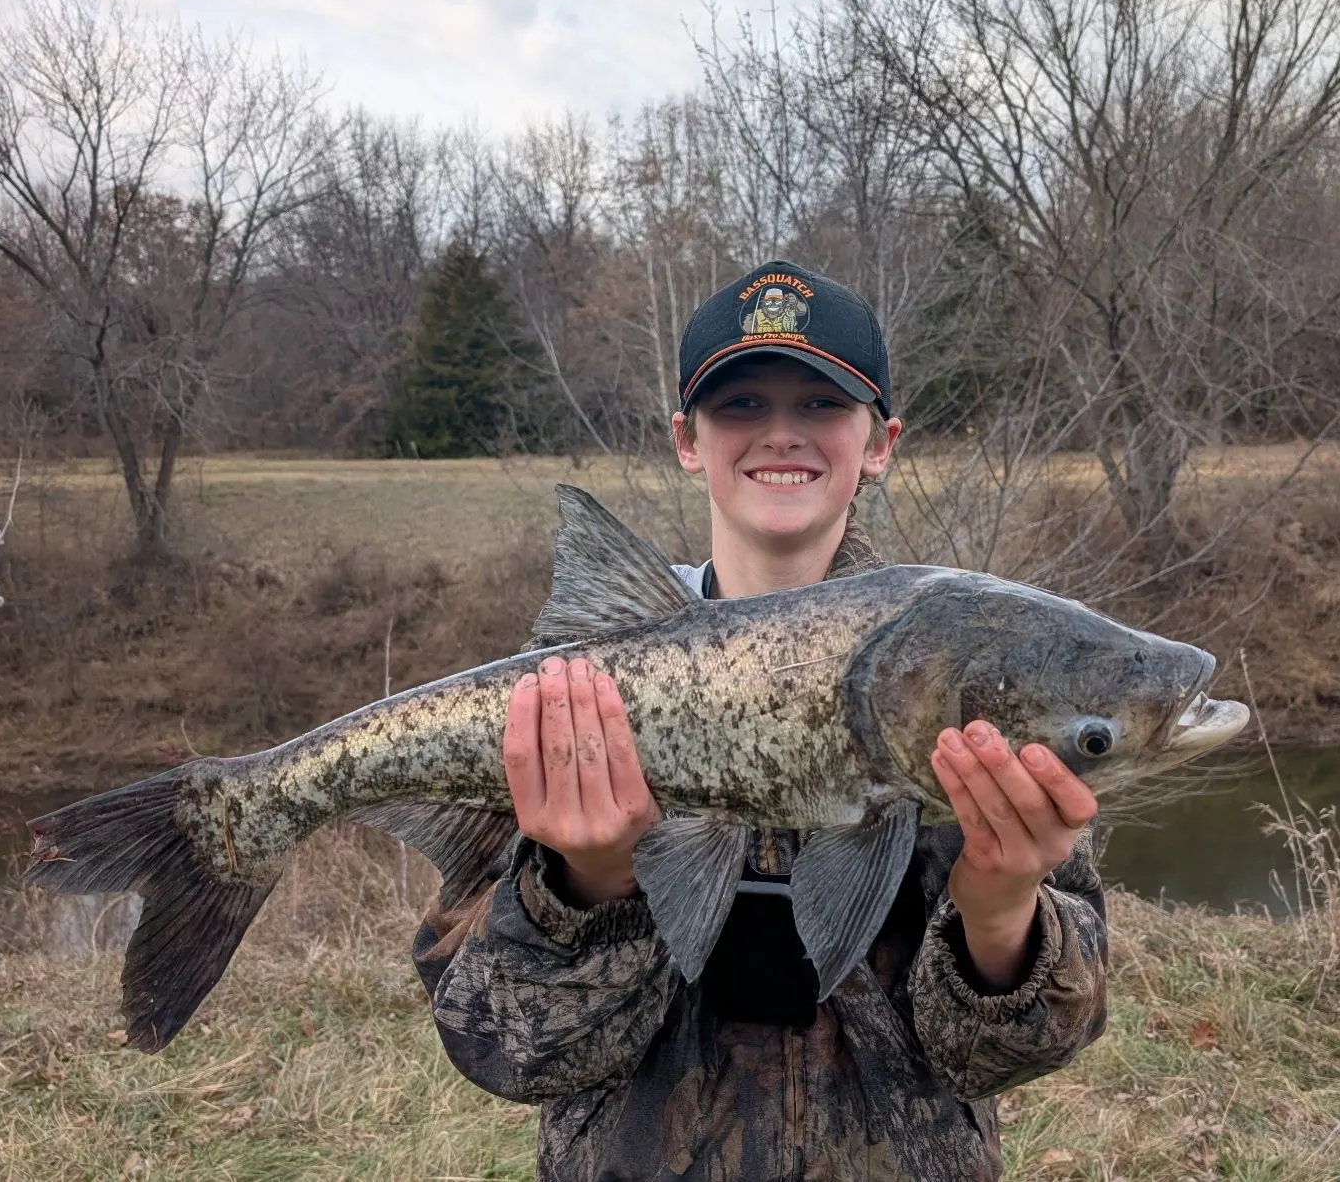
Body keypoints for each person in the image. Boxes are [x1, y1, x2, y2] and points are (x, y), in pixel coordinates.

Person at [413, 260, 1108, 1182]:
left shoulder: (972, 671)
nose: (782, 432)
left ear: (881, 441)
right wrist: (587, 880)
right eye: (741, 403)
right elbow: (504, 1048)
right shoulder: (568, 709)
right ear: (686, 439)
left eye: (822, 404)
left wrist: (1002, 912)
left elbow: (1013, 1057)